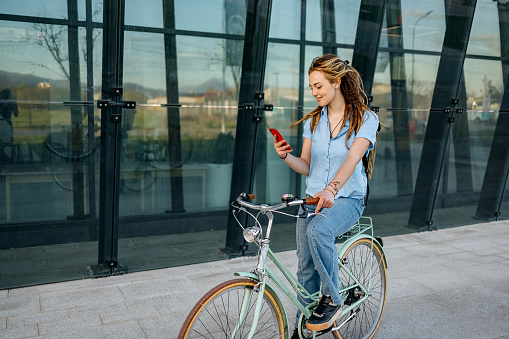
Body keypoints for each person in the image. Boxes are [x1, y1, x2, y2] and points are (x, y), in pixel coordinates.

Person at [273, 54, 379, 337]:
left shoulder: (366, 119)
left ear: (337, 82)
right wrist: (287, 156)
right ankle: (302, 330)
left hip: (347, 200)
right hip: (312, 201)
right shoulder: (315, 121)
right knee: (305, 270)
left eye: (318, 86)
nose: (314, 92)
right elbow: (307, 167)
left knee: (319, 230)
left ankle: (332, 298)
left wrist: (332, 189)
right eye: (311, 87)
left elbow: (353, 158)